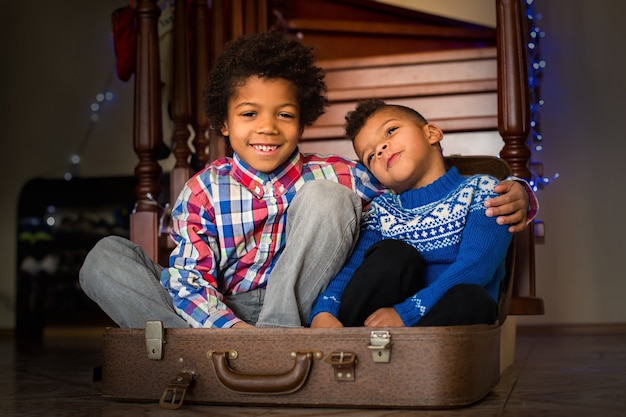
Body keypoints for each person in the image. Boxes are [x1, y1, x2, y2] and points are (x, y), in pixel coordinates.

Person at [79, 31, 534, 330]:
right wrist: (227, 328)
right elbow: (188, 278)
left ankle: (274, 344)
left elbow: (415, 181)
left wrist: (520, 194)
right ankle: (196, 352)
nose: (267, 127)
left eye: (285, 114)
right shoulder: (201, 190)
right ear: (222, 123)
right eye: (249, 114)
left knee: (327, 197)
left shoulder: (338, 173)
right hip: (217, 311)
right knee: (104, 258)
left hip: (293, 311)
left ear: (304, 122)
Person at [311, 99, 514, 328]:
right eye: (370, 156)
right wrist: (324, 309)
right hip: (377, 324)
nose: (380, 149)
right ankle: (355, 348)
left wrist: (405, 314)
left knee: (473, 298)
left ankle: (416, 356)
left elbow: (476, 265)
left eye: (391, 131)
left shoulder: (482, 190)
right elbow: (353, 268)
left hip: (442, 321)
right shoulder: (383, 209)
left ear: (432, 134)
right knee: (393, 254)